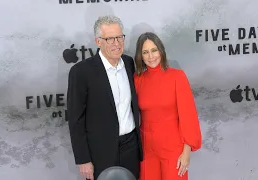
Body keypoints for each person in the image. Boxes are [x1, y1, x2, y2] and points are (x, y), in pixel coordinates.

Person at [67, 15, 143, 180]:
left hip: (131, 148)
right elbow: (75, 120)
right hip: (99, 152)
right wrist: (83, 159)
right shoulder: (81, 72)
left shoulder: (129, 63)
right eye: (109, 39)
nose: (116, 43)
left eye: (119, 37)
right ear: (98, 41)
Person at [133, 32, 202, 180]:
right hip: (147, 149)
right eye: (145, 52)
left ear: (161, 50)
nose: (151, 56)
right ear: (140, 56)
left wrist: (186, 152)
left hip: (173, 148)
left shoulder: (177, 76)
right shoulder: (137, 80)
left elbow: (188, 116)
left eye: (154, 50)